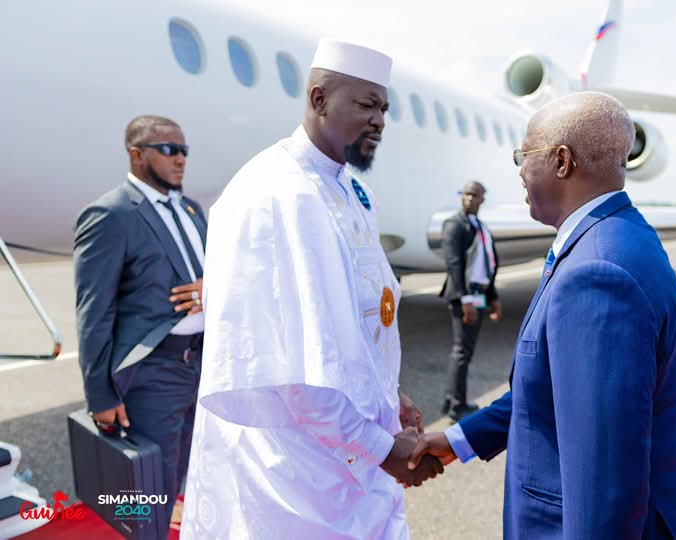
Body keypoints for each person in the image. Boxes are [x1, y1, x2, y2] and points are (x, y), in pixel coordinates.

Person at [409, 92, 676, 539]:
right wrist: (458, 440)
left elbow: (606, 487)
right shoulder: (614, 236)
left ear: (561, 161)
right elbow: (553, 388)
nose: (520, 170)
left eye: (525, 155)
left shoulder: (596, 274)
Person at [180, 39, 442, 539]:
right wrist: (384, 449)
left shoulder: (347, 188)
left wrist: (388, 396)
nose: (379, 121)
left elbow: (357, 323)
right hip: (295, 472)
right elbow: (295, 372)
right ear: (319, 98)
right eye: (366, 105)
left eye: (384, 109)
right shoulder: (282, 194)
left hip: (347, 446)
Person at [73, 115, 207, 537]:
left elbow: (214, 272)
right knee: (151, 491)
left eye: (184, 150)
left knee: (184, 476)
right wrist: (100, 394)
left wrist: (213, 286)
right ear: (136, 154)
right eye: (169, 149)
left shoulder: (191, 209)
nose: (180, 159)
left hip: (200, 365)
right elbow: (94, 310)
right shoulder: (111, 214)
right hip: (153, 373)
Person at [439, 181, 501, 420]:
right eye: (465, 194)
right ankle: (457, 405)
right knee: (462, 350)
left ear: (482, 199)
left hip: (478, 295)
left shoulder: (481, 227)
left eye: (474, 195)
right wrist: (465, 300)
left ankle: (450, 399)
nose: (468, 199)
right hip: (465, 296)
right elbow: (454, 264)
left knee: (465, 349)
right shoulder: (454, 225)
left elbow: (489, 263)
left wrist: (493, 297)